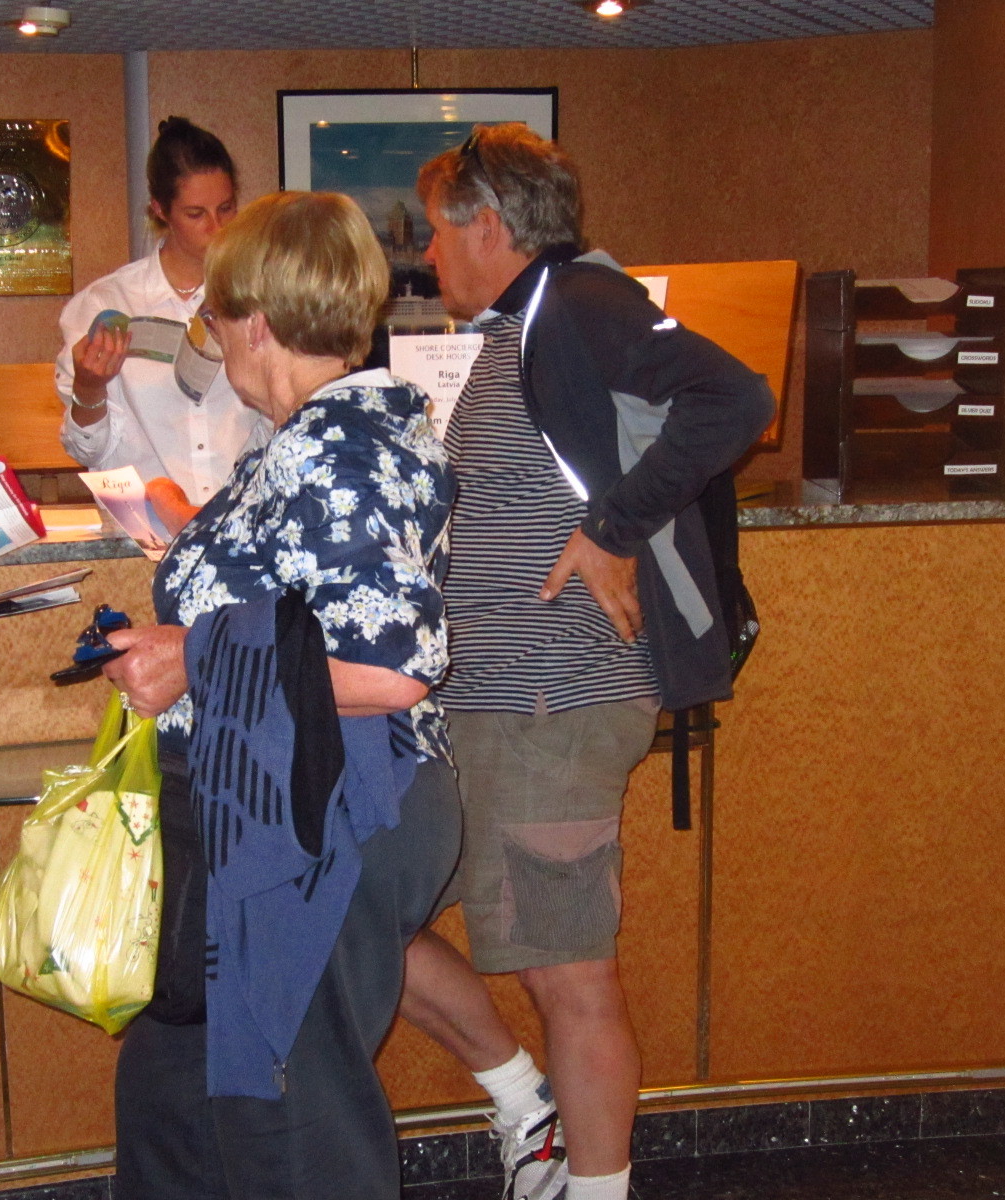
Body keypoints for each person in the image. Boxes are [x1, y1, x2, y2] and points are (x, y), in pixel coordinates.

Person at [399, 124, 774, 1200]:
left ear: (488, 226)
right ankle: (527, 1105)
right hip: (492, 706)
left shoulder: (578, 302)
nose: (427, 253)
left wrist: (613, 527)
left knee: (571, 976)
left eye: (436, 231)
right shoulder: (522, 326)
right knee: (368, 918)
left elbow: (737, 398)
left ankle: (594, 1184)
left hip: (554, 699)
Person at [100, 190, 460, 1200]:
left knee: (293, 1131)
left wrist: (194, 659)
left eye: (214, 318)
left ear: (255, 322)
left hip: (319, 812)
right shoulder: (321, 437)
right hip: (275, 804)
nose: (212, 339)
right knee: (182, 1099)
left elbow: (393, 667)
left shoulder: (332, 448)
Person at [56, 116, 269, 526]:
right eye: (196, 214)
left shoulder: (261, 296)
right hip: (144, 528)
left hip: (238, 525)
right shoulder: (106, 302)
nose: (218, 228)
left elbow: (280, 430)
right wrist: (89, 387)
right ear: (160, 210)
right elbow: (88, 452)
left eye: (226, 208)